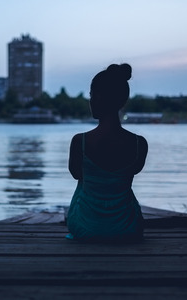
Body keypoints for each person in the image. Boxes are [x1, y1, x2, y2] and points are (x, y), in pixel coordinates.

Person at [66, 63, 148, 242]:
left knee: (84, 180)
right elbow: (132, 171)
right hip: (128, 228)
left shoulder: (80, 142)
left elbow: (76, 174)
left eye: (91, 95)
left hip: (84, 227)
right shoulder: (139, 144)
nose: (90, 101)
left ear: (98, 97)